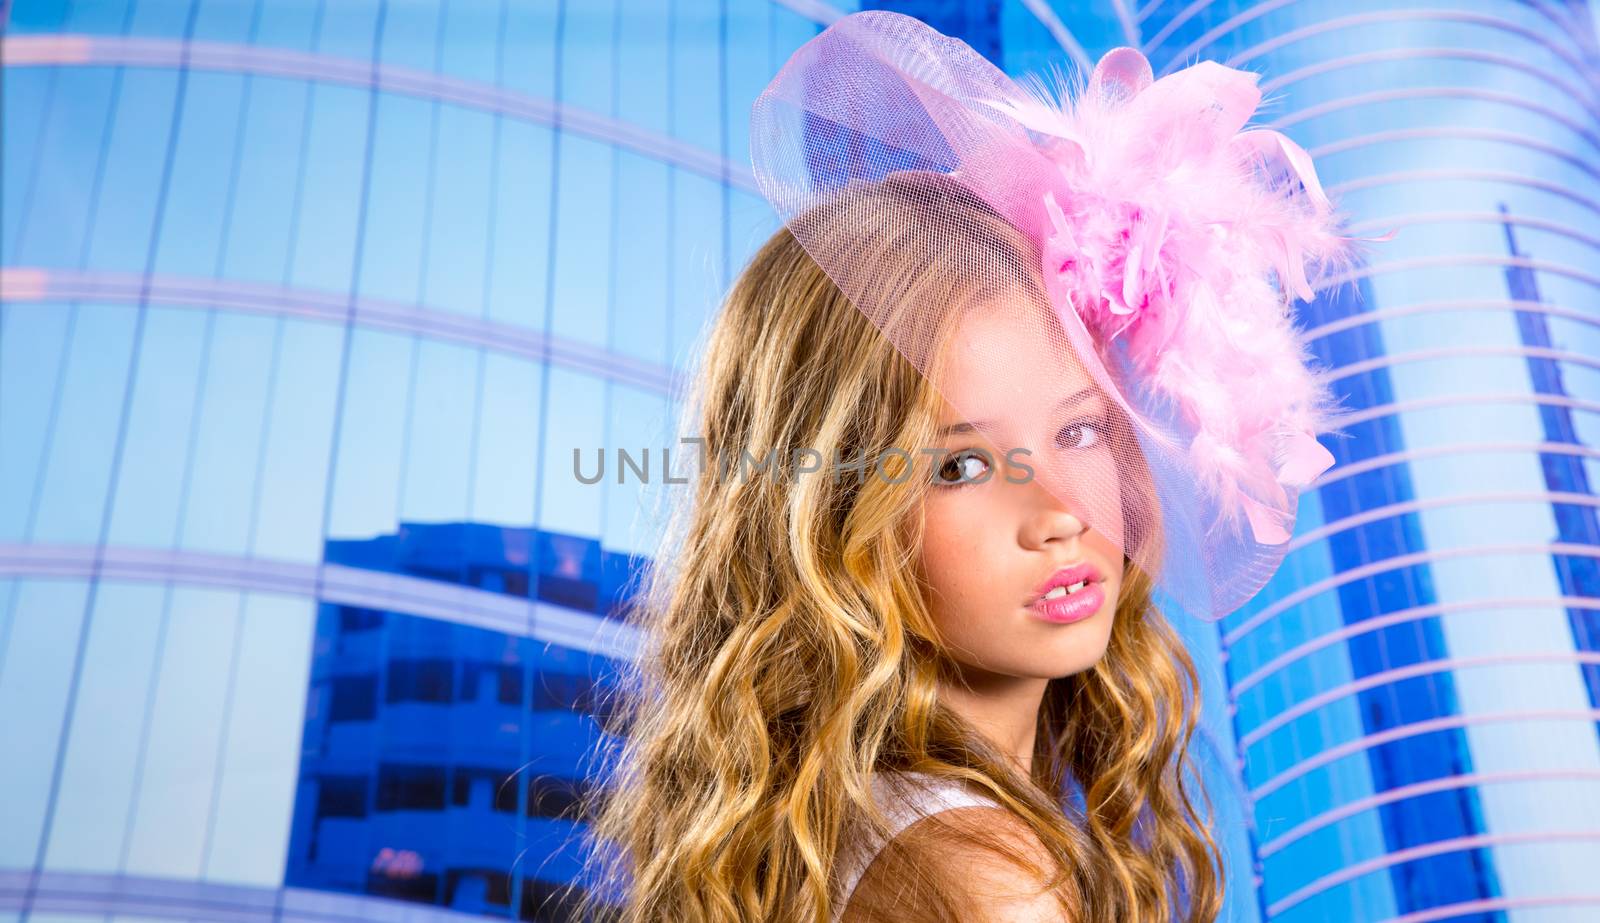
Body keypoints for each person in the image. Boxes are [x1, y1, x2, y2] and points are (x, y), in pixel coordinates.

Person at [566, 10, 1389, 923]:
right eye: (959, 464)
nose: (1061, 513)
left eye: (1079, 433)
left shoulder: (845, 833)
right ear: (827, 516)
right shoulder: (987, 878)